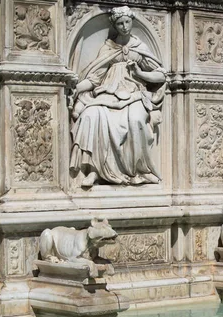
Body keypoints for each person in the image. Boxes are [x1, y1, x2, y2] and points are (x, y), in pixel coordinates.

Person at [70, 6, 166, 187]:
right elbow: (94, 78)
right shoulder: (108, 47)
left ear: (132, 22)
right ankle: (94, 171)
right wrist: (77, 89)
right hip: (107, 93)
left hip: (134, 94)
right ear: (115, 25)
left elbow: (160, 75)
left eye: (127, 22)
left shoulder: (140, 47)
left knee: (136, 119)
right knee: (92, 114)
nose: (124, 26)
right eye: (120, 23)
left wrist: (140, 73)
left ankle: (140, 170)